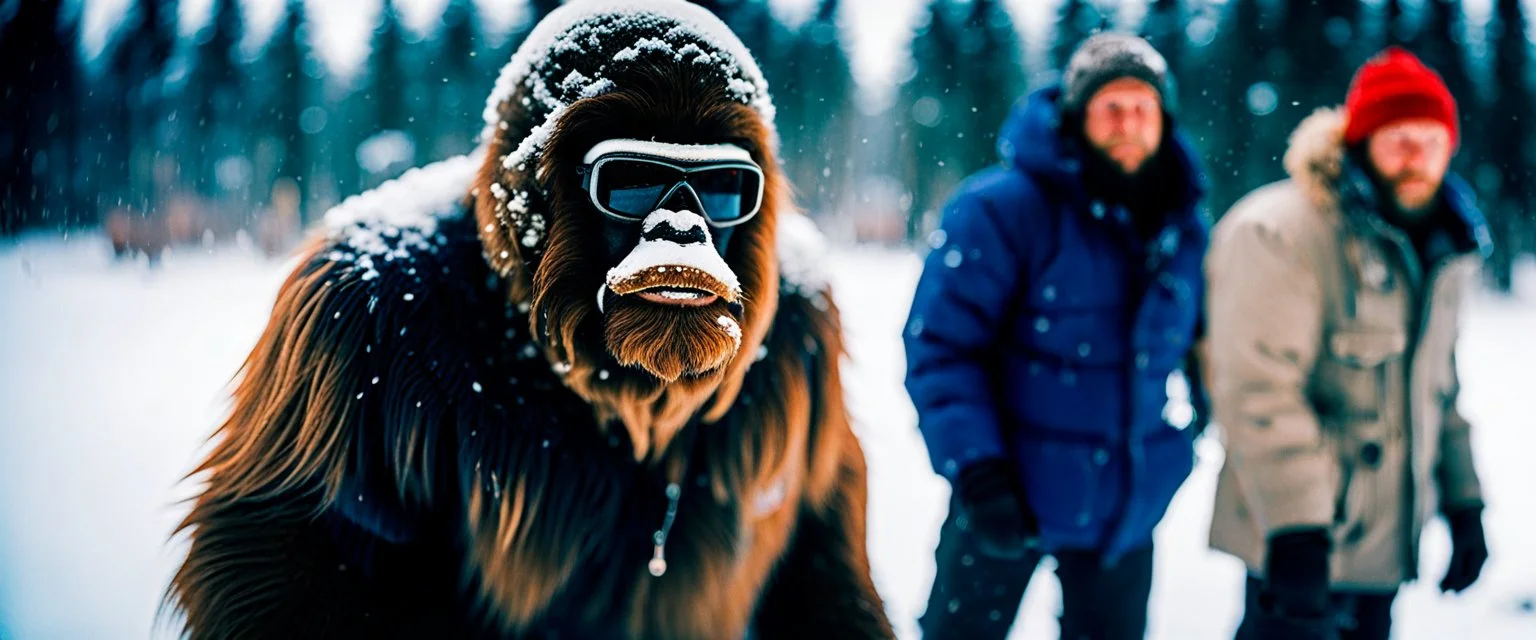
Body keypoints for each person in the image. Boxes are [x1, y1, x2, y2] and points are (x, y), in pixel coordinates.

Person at [903, 33, 1209, 640]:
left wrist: (1191, 430)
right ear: (1077, 116)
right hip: (1002, 496)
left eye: (1143, 108)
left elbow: (1201, 341)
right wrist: (979, 471)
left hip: (1124, 511)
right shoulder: (1000, 208)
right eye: (1111, 108)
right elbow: (942, 348)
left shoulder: (1183, 223)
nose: (1129, 124)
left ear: (1164, 120)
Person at [1205, 47, 1491, 640]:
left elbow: (1438, 386)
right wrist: (1296, 528)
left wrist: (1465, 504)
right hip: (1297, 549)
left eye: (1432, 140)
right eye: (1398, 140)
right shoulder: (1280, 231)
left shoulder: (1443, 245)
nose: (1418, 157)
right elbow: (1257, 389)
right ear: (1360, 144)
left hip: (1381, 548)